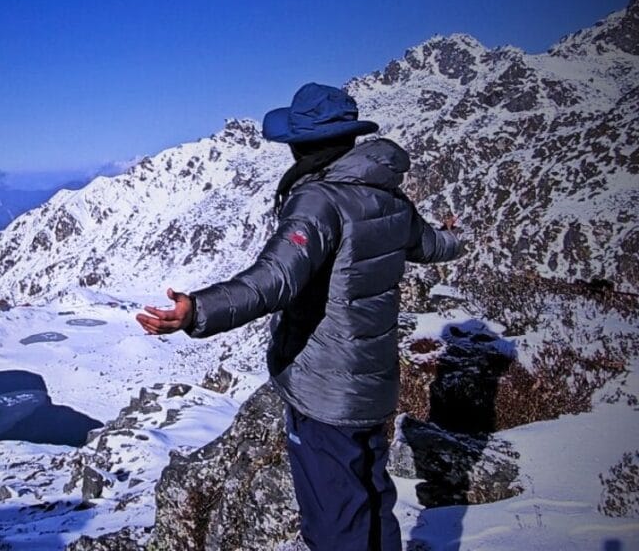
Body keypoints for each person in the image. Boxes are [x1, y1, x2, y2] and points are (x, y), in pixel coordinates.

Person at [135, 82, 463, 551]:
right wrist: (458, 235)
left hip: (324, 390)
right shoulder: (388, 197)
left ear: (299, 143)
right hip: (373, 383)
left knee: (334, 522)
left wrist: (197, 310)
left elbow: (273, 280)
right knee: (371, 498)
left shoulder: (319, 201)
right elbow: (431, 245)